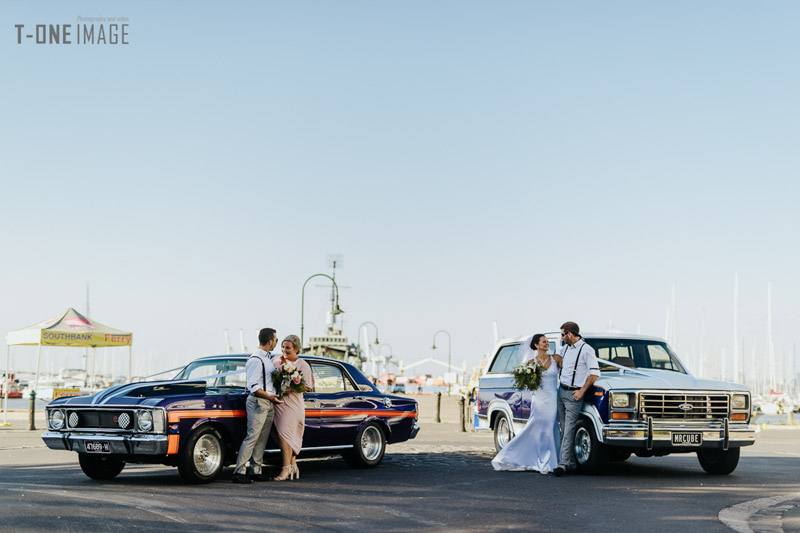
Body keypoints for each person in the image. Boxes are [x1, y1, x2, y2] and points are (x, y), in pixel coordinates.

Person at [492, 334, 562, 473]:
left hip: (553, 397)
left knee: (551, 426)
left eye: (547, 341)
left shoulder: (556, 359)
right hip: (539, 399)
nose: (547, 344)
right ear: (536, 345)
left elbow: (566, 375)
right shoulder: (530, 363)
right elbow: (527, 384)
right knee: (538, 428)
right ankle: (542, 461)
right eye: (543, 342)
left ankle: (553, 461)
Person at [232, 328, 283, 484]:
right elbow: (253, 385)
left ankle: (255, 470)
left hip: (268, 402)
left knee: (262, 438)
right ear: (269, 341)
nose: (276, 342)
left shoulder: (268, 359)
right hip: (259, 402)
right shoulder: (256, 359)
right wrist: (269, 396)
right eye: (276, 340)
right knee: (252, 436)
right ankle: (239, 471)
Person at [554, 321, 600, 477]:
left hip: (574, 394)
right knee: (563, 428)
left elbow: (594, 373)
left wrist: (582, 391)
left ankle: (562, 464)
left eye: (562, 335)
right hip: (561, 391)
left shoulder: (587, 350)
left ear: (569, 334)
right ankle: (571, 462)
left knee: (569, 429)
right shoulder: (564, 348)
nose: (561, 338)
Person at [271, 334, 314, 481]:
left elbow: (308, 386)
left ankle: (285, 469)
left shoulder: (302, 364)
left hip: (293, 405)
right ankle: (292, 465)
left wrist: (289, 388)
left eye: (288, 348)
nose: (284, 350)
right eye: (282, 347)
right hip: (278, 404)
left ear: (296, 349)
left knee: (285, 435)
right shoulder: (275, 360)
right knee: (281, 434)